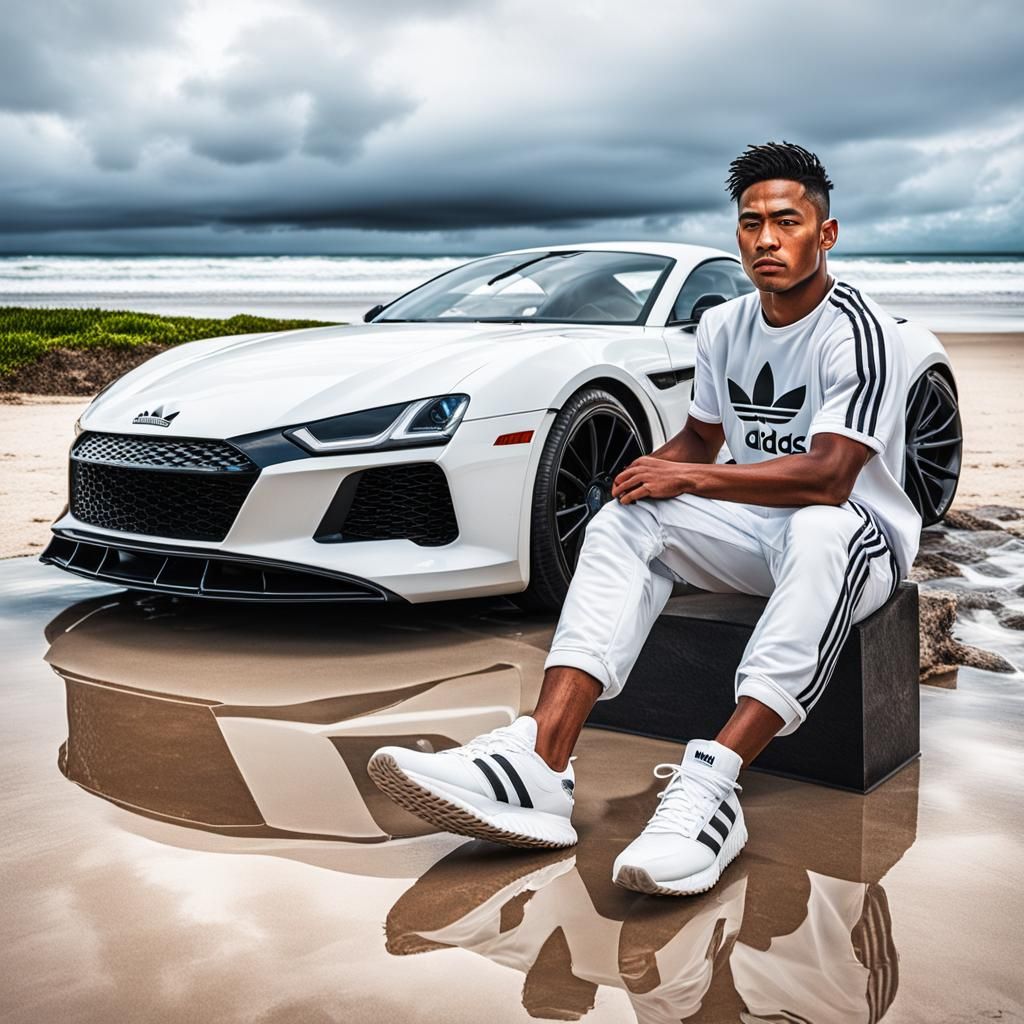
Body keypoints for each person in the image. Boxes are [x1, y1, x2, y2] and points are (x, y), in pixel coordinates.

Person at [368, 140, 922, 896]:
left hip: (855, 537)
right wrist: (650, 477)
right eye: (750, 223)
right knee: (625, 520)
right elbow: (700, 438)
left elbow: (829, 479)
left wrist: (692, 475)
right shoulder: (726, 325)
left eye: (786, 222)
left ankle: (711, 785)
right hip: (761, 527)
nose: (765, 239)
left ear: (825, 235)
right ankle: (541, 761)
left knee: (821, 531)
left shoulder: (858, 329)